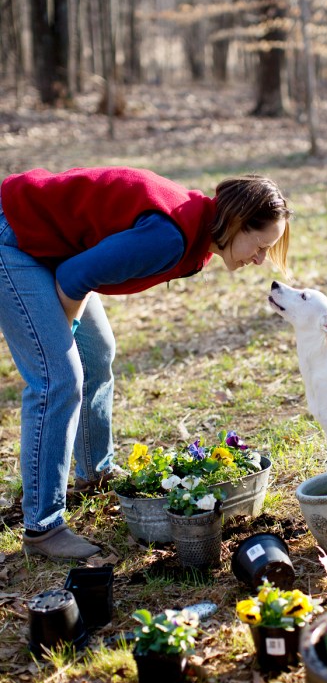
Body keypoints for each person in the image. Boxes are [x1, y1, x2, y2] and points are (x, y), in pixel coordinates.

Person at [0, 167, 292, 559]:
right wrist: (62, 335)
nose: (260, 260)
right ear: (236, 222)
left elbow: (81, 269)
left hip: (53, 244)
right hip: (14, 236)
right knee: (58, 379)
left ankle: (96, 472)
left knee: (97, 352)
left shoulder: (198, 231)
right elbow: (74, 277)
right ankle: (43, 527)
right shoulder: (170, 237)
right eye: (259, 246)